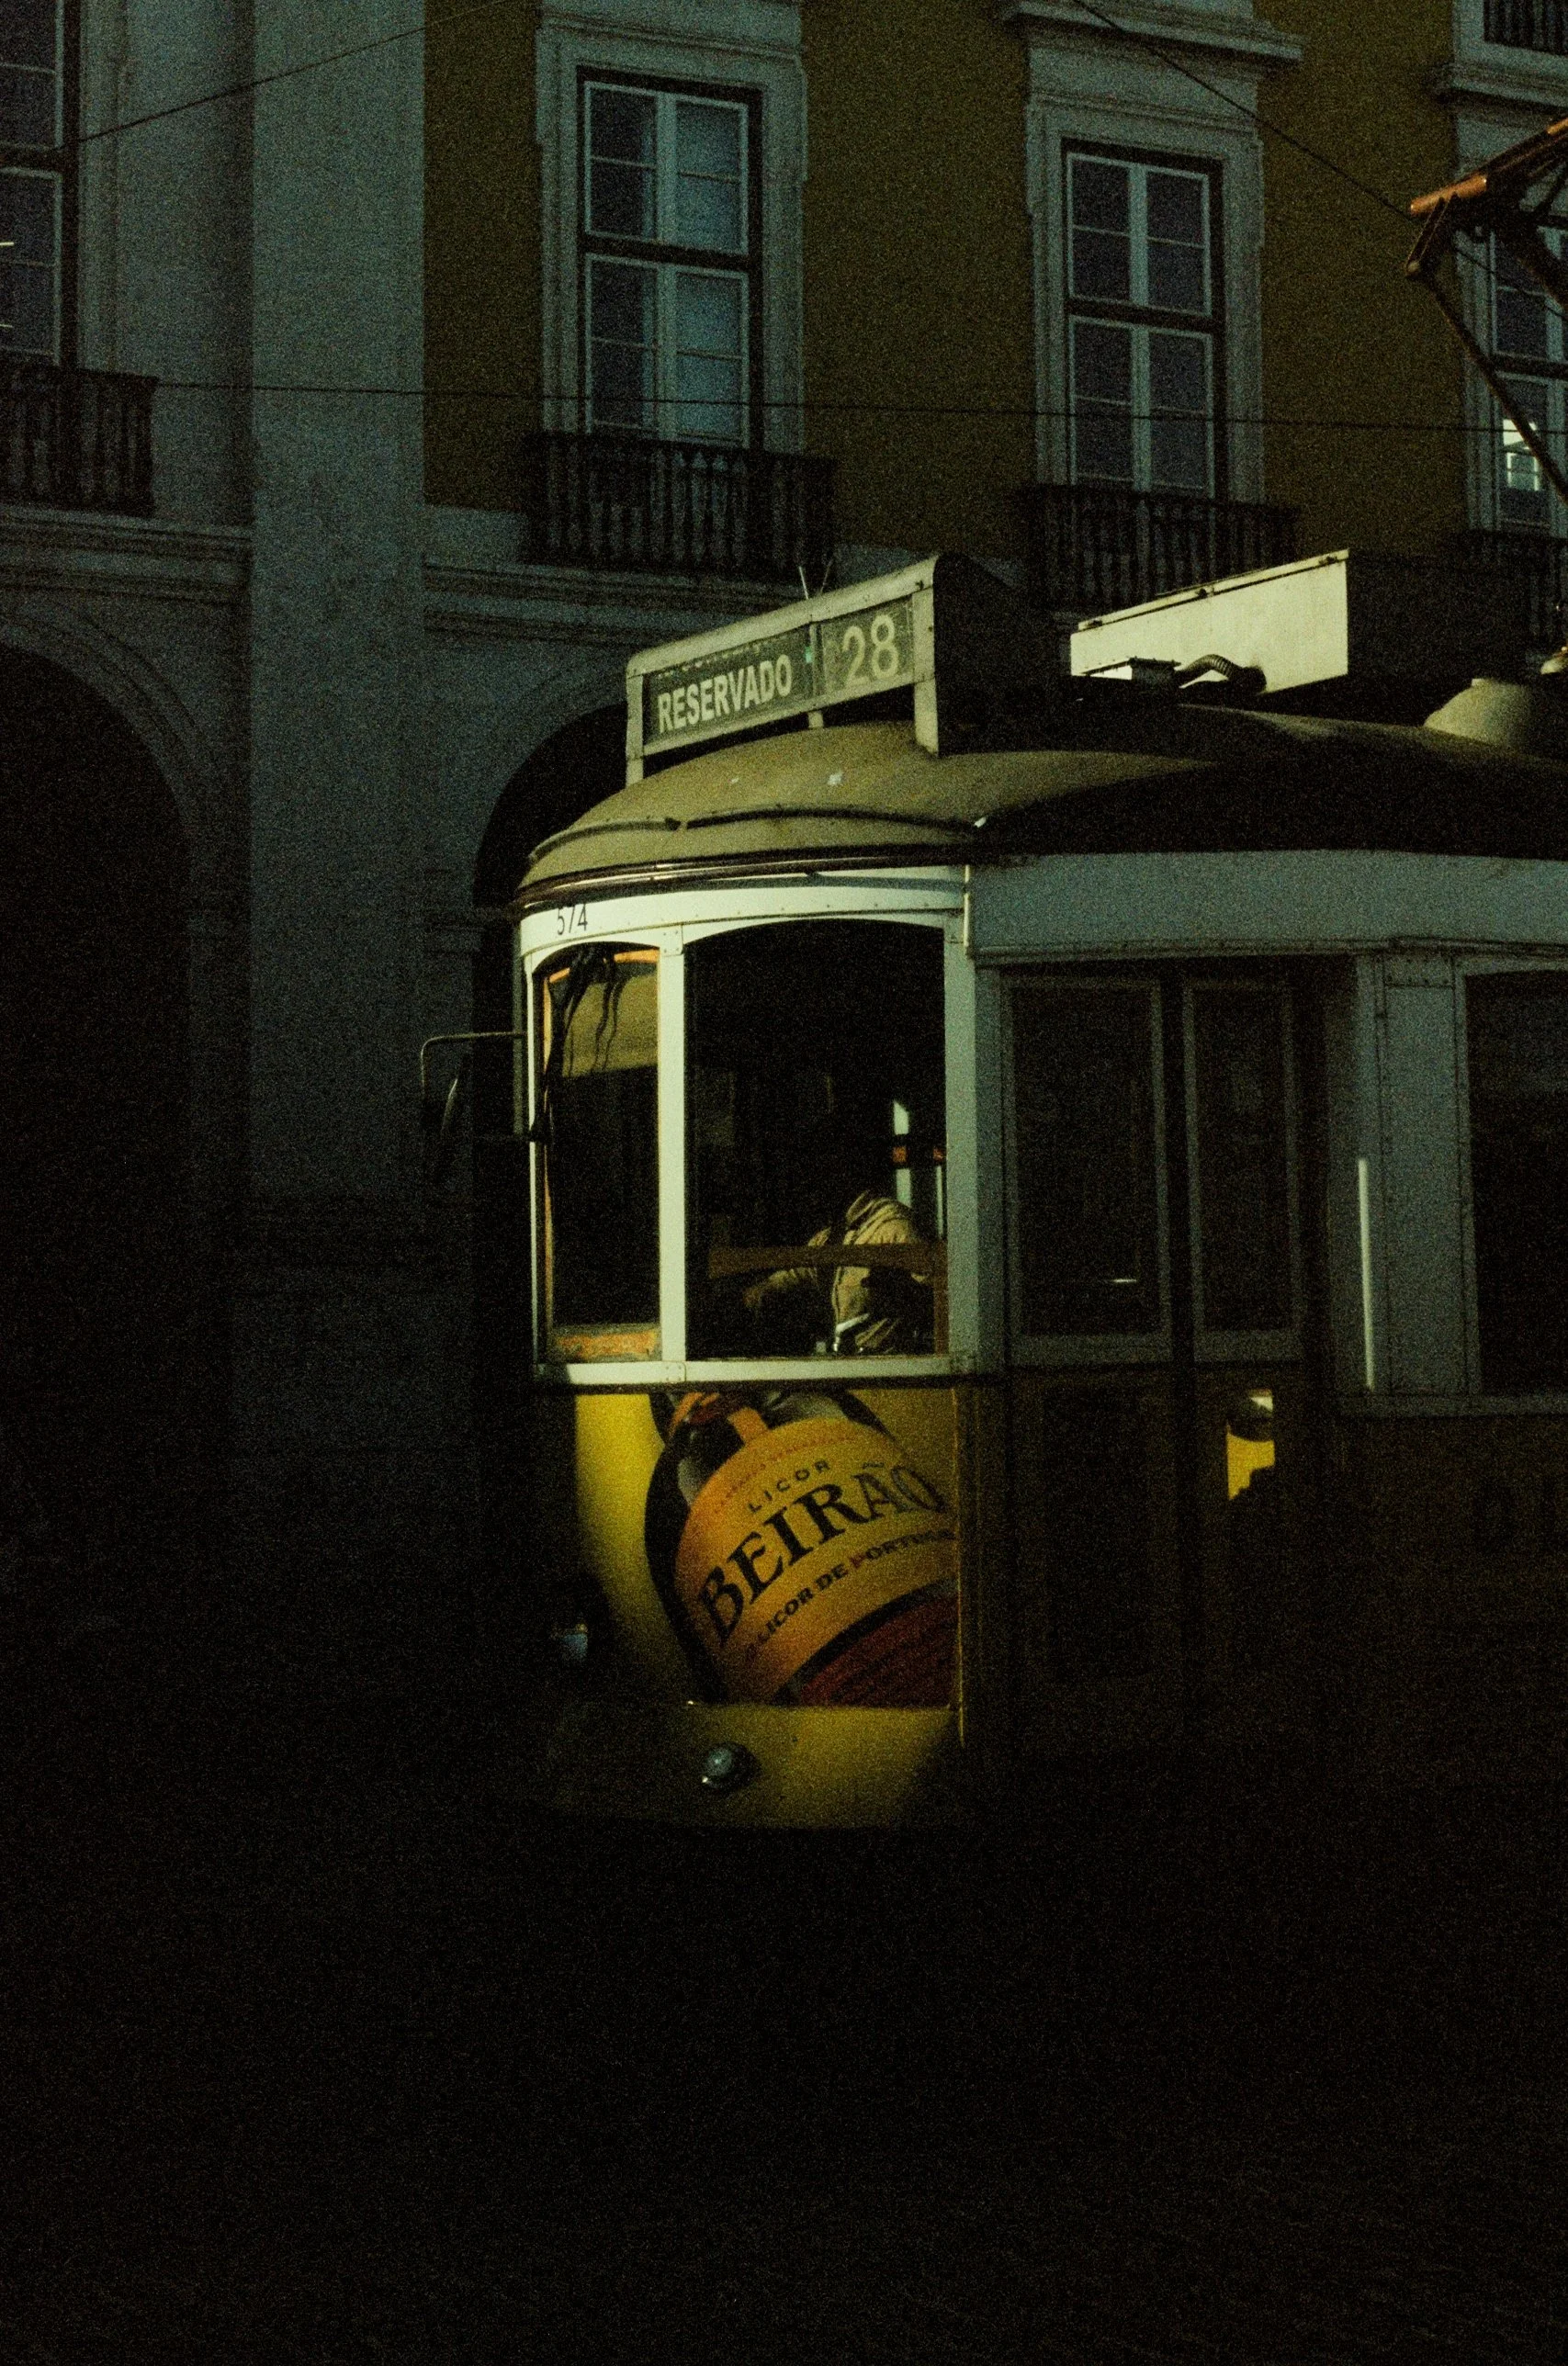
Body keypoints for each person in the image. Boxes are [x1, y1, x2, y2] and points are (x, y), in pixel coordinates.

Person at [742, 1109, 935, 1354]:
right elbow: (799, 1270)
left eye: (820, 1169)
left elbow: (941, 1293)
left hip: (885, 1376)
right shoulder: (833, 1236)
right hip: (846, 1367)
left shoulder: (892, 1227)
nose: (812, 1184)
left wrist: (904, 1299)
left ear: (843, 1169)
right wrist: (755, 1294)